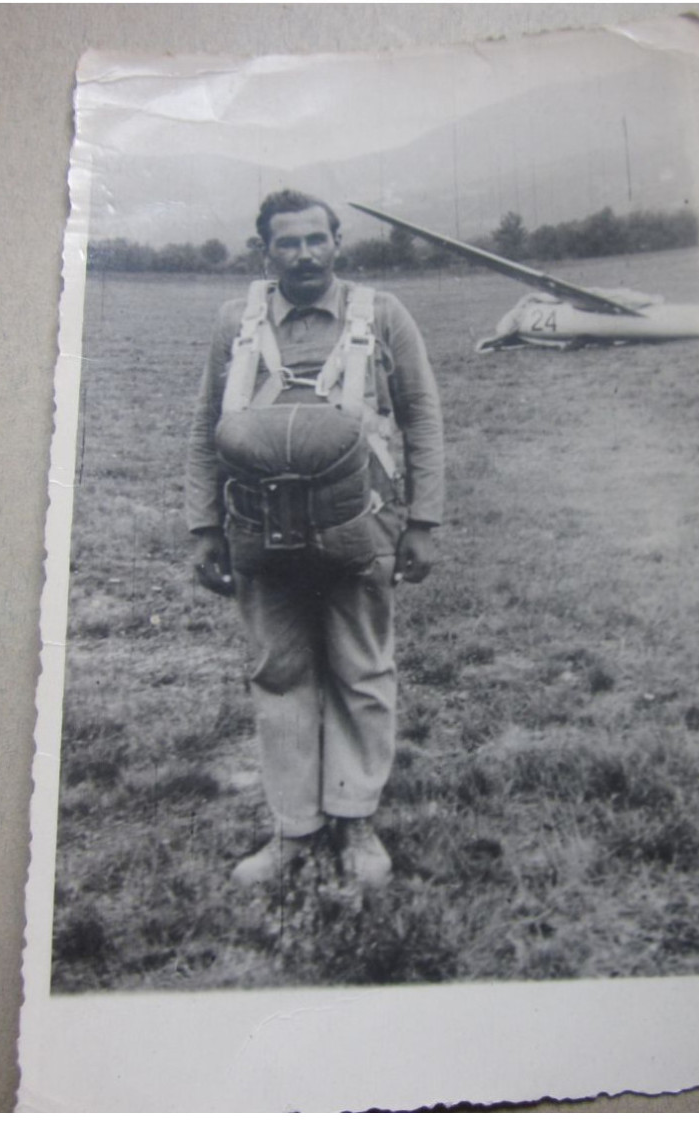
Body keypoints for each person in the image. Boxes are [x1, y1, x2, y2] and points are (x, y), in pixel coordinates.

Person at [186, 189, 444, 889]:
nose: (302, 254)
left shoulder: (383, 315)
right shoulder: (233, 323)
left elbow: (421, 416)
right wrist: (204, 524)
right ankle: (294, 829)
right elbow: (207, 424)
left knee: (362, 668)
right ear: (264, 250)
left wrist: (423, 520)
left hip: (362, 524)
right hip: (256, 530)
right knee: (278, 671)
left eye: (314, 240)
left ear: (337, 244)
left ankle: (356, 820)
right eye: (287, 242)